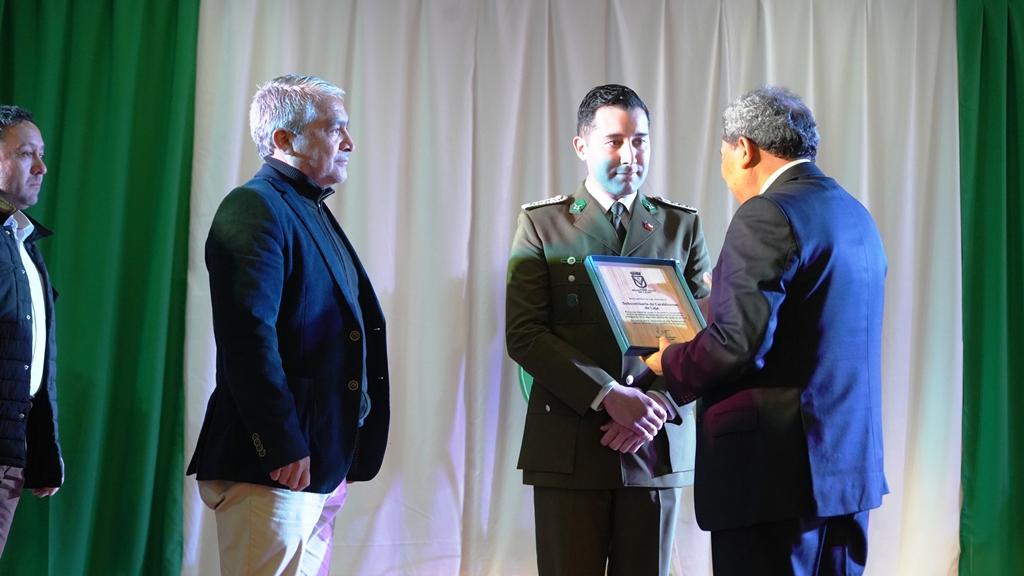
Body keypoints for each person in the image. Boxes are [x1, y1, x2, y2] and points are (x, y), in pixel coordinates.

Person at [643, 86, 888, 575]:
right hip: (846, 471)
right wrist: (724, 300)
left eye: (722, 155)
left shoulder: (765, 214)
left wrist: (668, 359)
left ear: (744, 149)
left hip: (774, 478)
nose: (725, 171)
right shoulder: (853, 212)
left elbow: (739, 345)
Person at [187, 74, 390, 576]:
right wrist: (279, 444)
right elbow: (247, 339)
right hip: (277, 466)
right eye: (334, 128)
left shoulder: (307, 207)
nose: (349, 142)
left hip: (321, 463)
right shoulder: (254, 206)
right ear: (284, 138)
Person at [505, 84, 712, 576]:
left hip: (653, 442)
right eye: (614, 141)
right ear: (582, 146)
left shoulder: (680, 226)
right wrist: (608, 395)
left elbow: (706, 335)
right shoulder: (544, 224)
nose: (630, 155)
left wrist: (657, 403)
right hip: (572, 442)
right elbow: (525, 333)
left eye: (640, 141)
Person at [0, 105, 63, 557]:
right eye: (25, 154)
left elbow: (32, 359)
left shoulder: (23, 242)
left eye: (41, 154)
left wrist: (42, 448)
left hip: (10, 455)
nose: (40, 167)